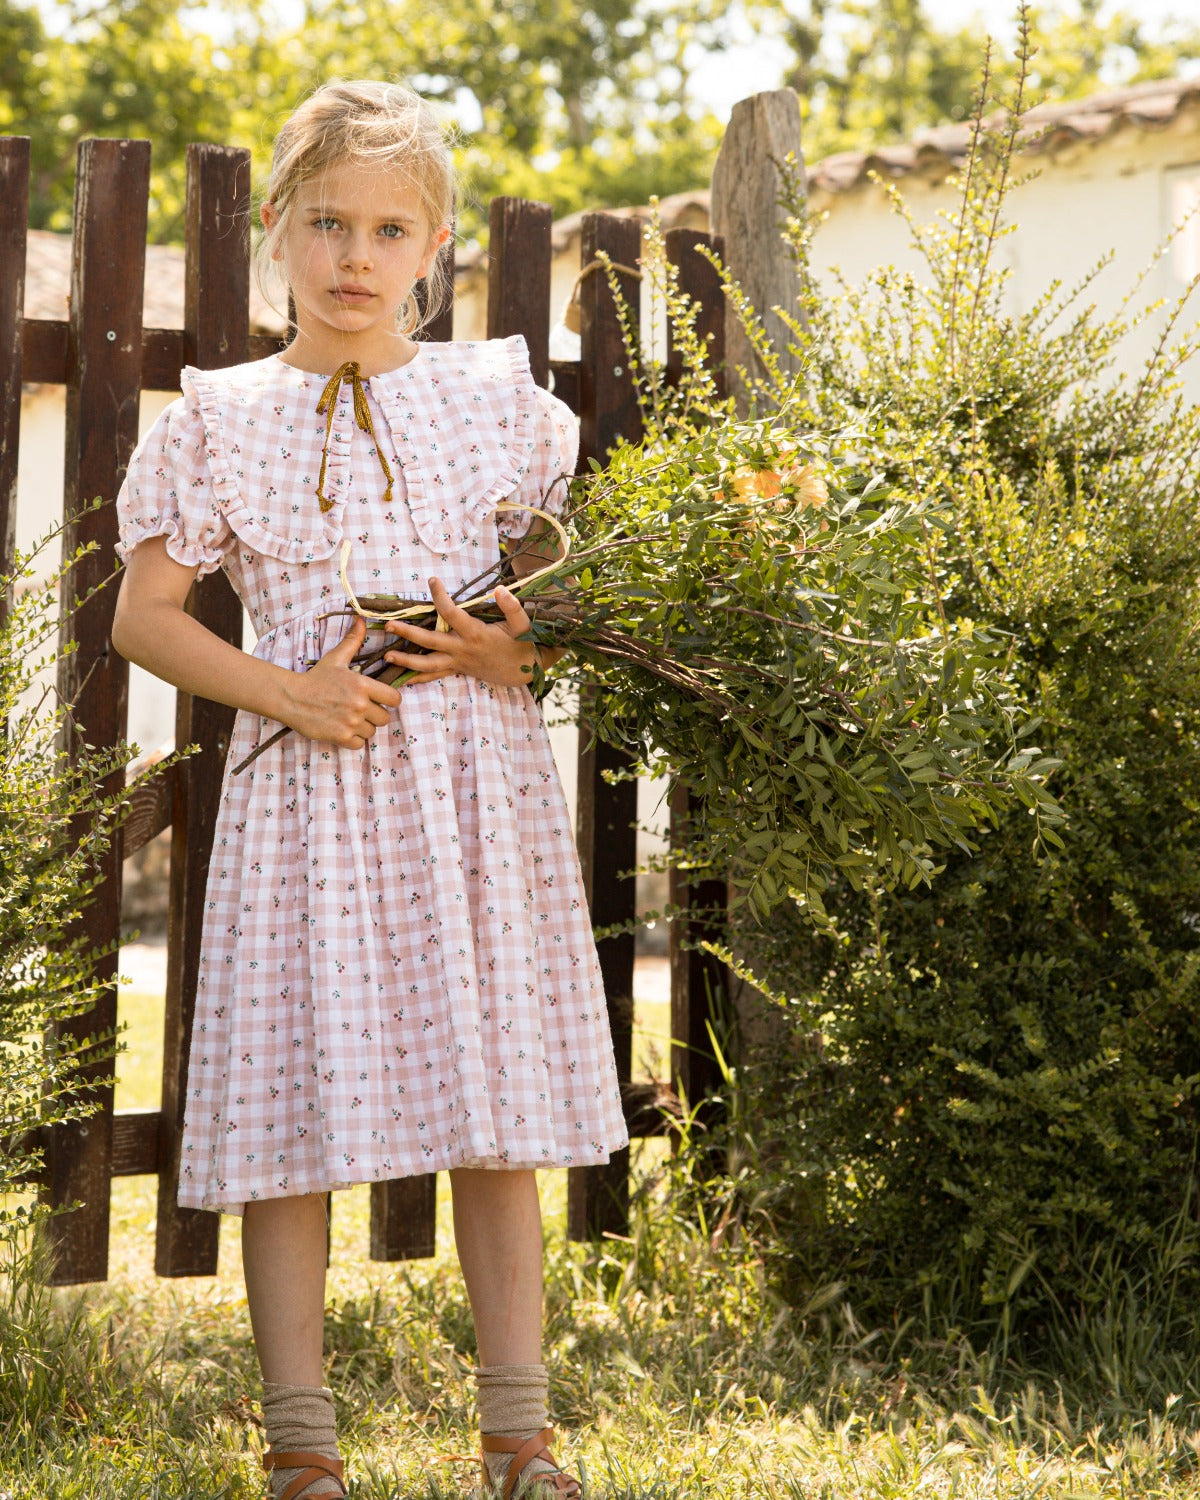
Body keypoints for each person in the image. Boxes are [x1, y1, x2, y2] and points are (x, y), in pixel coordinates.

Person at [112, 78, 628, 1500]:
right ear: (274, 229)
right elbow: (145, 619)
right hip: (307, 797)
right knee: (289, 1101)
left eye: (390, 229)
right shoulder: (219, 417)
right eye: (328, 221)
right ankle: (302, 1446)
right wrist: (292, 691)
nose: (356, 255)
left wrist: (511, 644)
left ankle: (519, 1437)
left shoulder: (491, 402)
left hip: (471, 789)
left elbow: (562, 595)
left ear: (435, 246)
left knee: (494, 1098)